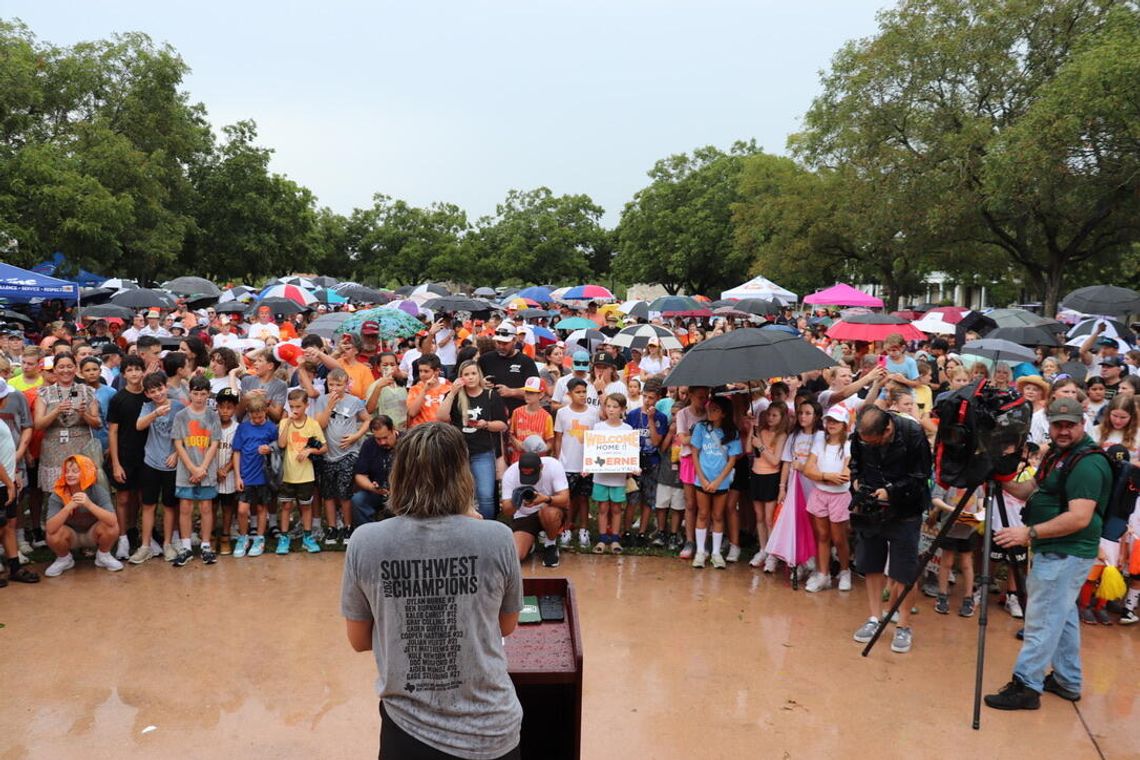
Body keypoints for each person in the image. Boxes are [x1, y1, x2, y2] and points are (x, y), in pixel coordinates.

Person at [341, 422, 523, 760]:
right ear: (463, 475)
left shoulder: (366, 542)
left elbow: (359, 640)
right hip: (491, 730)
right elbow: (507, 625)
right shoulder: (497, 538)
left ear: (399, 473)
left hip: (408, 730)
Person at [985, 397, 1113, 709]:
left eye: (1070, 425)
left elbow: (1080, 517)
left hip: (1065, 553)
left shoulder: (1088, 463)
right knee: (1063, 615)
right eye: (1058, 424)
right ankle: (1067, 680)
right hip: (1056, 551)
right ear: (1050, 425)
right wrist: (1000, 477)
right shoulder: (1058, 455)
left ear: (1083, 424)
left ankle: (1026, 685)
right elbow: (1031, 490)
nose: (1064, 430)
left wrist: (1027, 533)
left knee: (1041, 620)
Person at [849, 405, 932, 655]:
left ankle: (903, 625)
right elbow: (855, 464)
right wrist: (856, 482)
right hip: (870, 508)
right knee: (871, 564)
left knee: (905, 570)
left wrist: (892, 491)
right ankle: (875, 618)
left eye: (875, 442)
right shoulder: (861, 435)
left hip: (906, 511)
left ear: (887, 429)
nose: (870, 446)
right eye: (867, 443)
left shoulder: (913, 434)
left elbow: (921, 476)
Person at [437, 360, 508, 520]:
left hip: (483, 451)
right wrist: (452, 393)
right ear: (461, 377)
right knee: (460, 493)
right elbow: (441, 417)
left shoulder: (490, 395)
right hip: (459, 452)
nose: (470, 378)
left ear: (479, 375)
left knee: (486, 495)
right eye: (466, 374)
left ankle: (487, 528)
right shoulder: (454, 396)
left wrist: (487, 424)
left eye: (473, 373)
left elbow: (502, 424)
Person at [312, 368, 370, 544]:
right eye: (331, 384)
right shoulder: (322, 400)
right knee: (328, 492)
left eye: (339, 384)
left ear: (347, 384)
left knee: (344, 491)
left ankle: (347, 526)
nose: (335, 388)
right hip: (328, 454)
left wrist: (356, 436)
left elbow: (367, 420)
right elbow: (319, 425)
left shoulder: (355, 401)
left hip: (348, 453)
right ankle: (331, 527)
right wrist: (329, 406)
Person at [170, 375, 222, 566]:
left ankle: (206, 545)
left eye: (202, 394)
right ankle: (186, 547)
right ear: (189, 392)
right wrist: (192, 468)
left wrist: (203, 469)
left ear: (208, 394)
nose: (199, 398)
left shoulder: (212, 415)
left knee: (206, 507)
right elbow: (178, 443)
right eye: (195, 393)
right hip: (186, 470)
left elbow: (214, 443)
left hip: (206, 468)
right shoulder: (181, 416)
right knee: (185, 507)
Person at [43, 455, 123, 577]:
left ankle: (103, 555)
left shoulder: (98, 491)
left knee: (112, 526)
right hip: (71, 536)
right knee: (53, 534)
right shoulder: (58, 494)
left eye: (75, 471)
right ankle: (64, 559)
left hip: (93, 534)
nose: (69, 475)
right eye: (67, 471)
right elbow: (50, 528)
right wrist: (68, 507)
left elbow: (113, 520)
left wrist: (89, 505)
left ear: (86, 473)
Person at [802, 405, 853, 592]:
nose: (831, 424)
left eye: (836, 421)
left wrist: (821, 474)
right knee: (822, 535)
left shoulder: (848, 445)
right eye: (829, 420)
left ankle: (845, 571)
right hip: (819, 494)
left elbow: (845, 474)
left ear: (845, 425)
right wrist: (827, 476)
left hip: (839, 497)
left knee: (839, 538)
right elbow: (808, 469)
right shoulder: (819, 442)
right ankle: (823, 574)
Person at [690, 396, 741, 569]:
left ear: (724, 413)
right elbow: (694, 454)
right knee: (702, 514)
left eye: (715, 410)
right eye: (709, 409)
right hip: (702, 479)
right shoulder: (700, 428)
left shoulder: (732, 433)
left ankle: (716, 553)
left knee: (718, 516)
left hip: (722, 482)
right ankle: (699, 552)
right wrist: (702, 478)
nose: (710, 412)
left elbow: (732, 460)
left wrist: (719, 481)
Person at [501, 441, 570, 567]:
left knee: (548, 512)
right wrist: (516, 500)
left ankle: (550, 544)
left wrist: (545, 499)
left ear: (541, 467)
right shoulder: (510, 474)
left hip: (548, 510)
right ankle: (529, 542)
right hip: (524, 515)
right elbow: (506, 511)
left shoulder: (554, 466)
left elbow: (565, 499)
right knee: (516, 556)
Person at [276, 389, 327, 554]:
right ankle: (284, 538)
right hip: (288, 474)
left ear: (306, 405)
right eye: (292, 407)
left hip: (306, 474)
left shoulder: (313, 424)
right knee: (286, 506)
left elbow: (324, 447)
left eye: (298, 406)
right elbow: (282, 444)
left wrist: (310, 450)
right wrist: (288, 423)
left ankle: (307, 537)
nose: (295, 410)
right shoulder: (285, 423)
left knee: (306, 507)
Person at [230, 395, 279, 559]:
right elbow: (236, 452)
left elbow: (278, 448)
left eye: (260, 416)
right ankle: (243, 538)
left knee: (261, 508)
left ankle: (259, 538)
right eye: (254, 417)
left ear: (265, 412)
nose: (257, 419)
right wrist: (237, 476)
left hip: (263, 475)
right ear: (249, 414)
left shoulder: (271, 428)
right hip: (246, 474)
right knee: (242, 510)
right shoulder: (242, 428)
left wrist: (269, 449)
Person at [553, 377, 599, 549]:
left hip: (586, 464)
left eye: (584, 392)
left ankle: (584, 530)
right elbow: (558, 438)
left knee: (583, 498)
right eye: (577, 392)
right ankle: (566, 529)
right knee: (567, 499)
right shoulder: (562, 413)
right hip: (567, 463)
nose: (581, 395)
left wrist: (592, 461)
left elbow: (597, 437)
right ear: (569, 394)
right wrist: (559, 459)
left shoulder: (593, 413)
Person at [749, 403, 788, 568]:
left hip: (771, 477)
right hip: (756, 474)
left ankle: (772, 554)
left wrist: (761, 446)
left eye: (775, 415)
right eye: (769, 414)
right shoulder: (761, 432)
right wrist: (752, 430)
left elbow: (775, 461)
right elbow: (747, 449)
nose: (770, 418)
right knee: (759, 516)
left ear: (782, 418)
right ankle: (763, 548)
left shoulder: (782, 435)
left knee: (768, 517)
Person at [478, 325, 539, 414]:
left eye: (505, 343)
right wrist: (481, 383)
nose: (501, 346)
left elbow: (536, 392)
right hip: (489, 412)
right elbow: (471, 382)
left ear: (514, 340)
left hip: (518, 413)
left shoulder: (526, 362)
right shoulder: (485, 359)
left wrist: (512, 392)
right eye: (498, 342)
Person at [350, 416, 397, 527]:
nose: (382, 442)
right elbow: (360, 475)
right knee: (358, 500)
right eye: (378, 439)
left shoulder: (407, 442)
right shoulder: (369, 444)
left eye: (385, 437)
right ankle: (368, 533)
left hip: (403, 493)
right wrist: (372, 487)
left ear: (393, 429)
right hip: (378, 492)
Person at [507, 377, 553, 464]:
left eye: (531, 393)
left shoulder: (547, 417)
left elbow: (550, 442)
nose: (527, 395)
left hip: (537, 462)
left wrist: (541, 449)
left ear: (541, 395)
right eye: (526, 392)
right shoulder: (516, 412)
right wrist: (516, 443)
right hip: (518, 460)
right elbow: (511, 434)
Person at [406, 355, 451, 429]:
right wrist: (424, 390)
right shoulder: (414, 389)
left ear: (437, 371)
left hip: (443, 432)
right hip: (422, 431)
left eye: (426, 371)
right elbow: (412, 413)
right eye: (420, 371)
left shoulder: (449, 389)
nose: (422, 374)